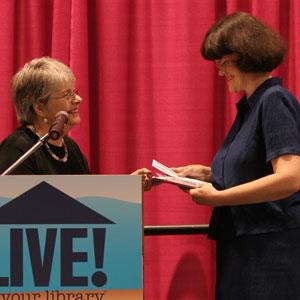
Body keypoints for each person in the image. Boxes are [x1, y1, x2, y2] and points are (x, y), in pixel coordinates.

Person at [170, 12, 300, 300]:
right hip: (244, 247)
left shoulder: (274, 101)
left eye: (223, 62)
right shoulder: (251, 107)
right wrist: (204, 173)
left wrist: (218, 197)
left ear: (244, 55)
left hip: (270, 252)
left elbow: (290, 178)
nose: (219, 72)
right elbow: (254, 169)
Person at [0, 56, 152, 190]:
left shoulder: (70, 148)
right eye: (68, 95)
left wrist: (125, 187)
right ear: (40, 107)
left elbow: (86, 201)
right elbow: (23, 211)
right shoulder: (18, 149)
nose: (78, 99)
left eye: (75, 92)